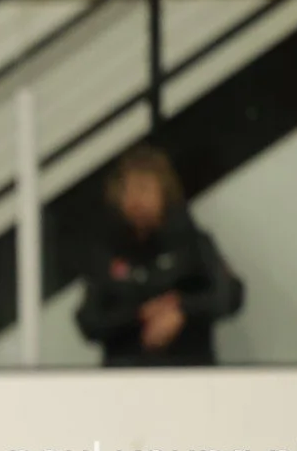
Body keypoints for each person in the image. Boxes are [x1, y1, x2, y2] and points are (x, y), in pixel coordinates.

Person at [74, 144, 244, 368]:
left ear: (164, 193)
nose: (135, 200)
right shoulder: (107, 252)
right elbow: (89, 322)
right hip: (125, 375)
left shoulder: (192, 242)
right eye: (127, 190)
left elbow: (230, 295)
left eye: (143, 189)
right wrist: (139, 315)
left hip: (189, 371)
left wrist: (182, 309)